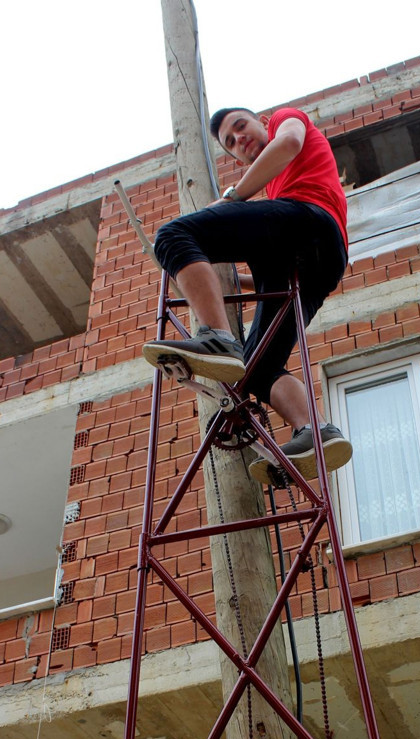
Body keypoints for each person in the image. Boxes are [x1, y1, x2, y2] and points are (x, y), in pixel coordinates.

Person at [143, 105, 352, 485]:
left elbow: (288, 143)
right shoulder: (277, 188)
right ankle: (315, 431)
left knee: (173, 236)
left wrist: (231, 198)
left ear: (263, 121)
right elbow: (273, 273)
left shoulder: (286, 119)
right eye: (231, 142)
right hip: (316, 263)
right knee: (257, 369)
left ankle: (216, 338)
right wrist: (230, 280)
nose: (239, 139)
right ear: (236, 158)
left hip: (310, 222)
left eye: (241, 127)